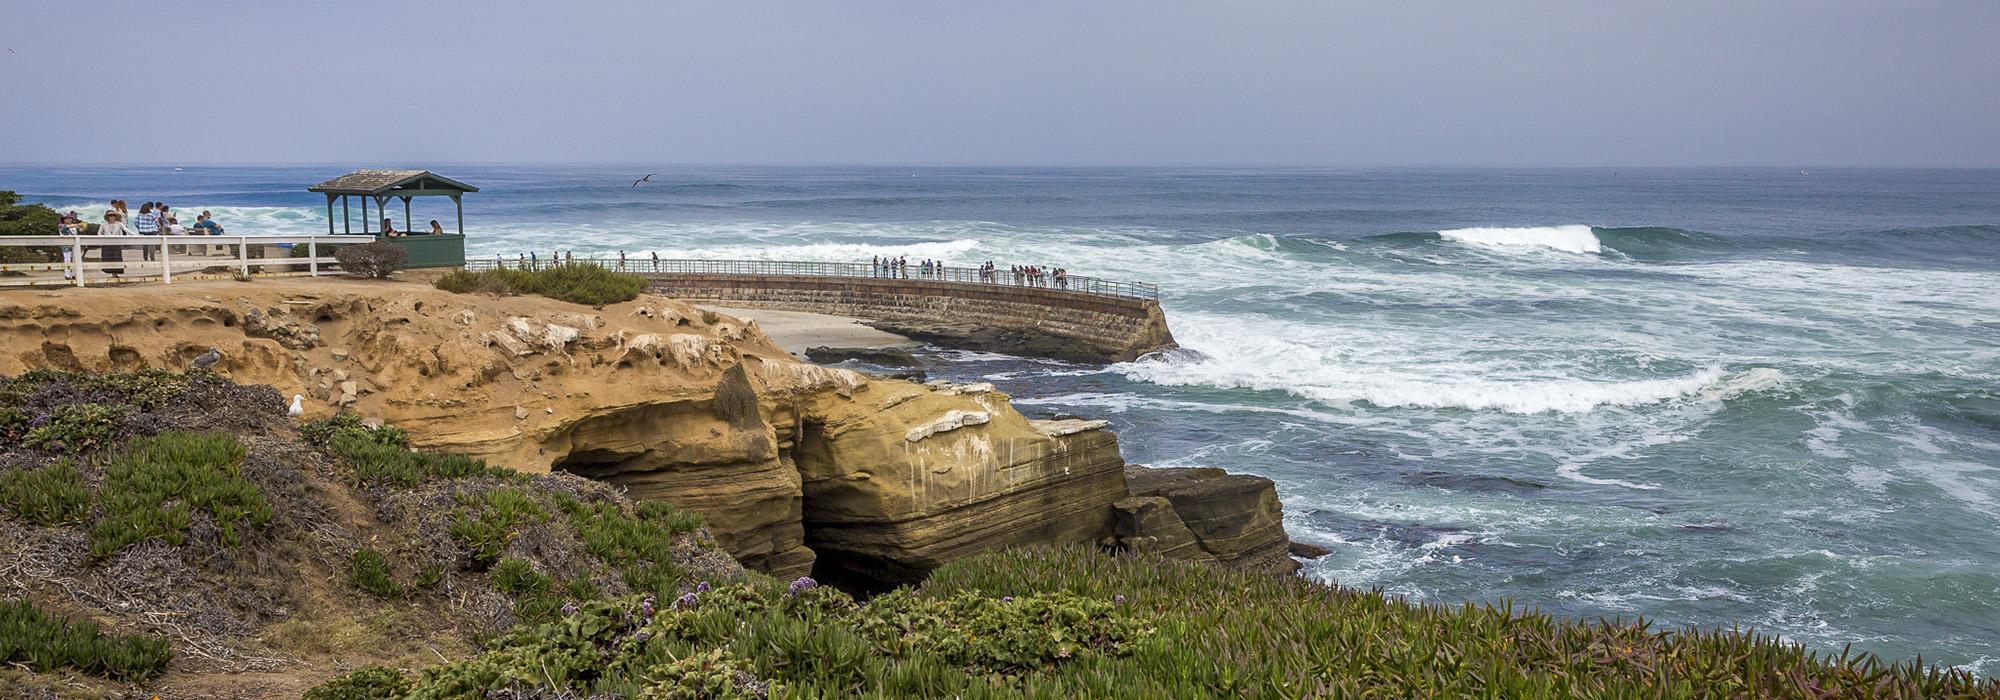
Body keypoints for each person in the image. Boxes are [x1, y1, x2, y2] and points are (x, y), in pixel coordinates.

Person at [97, 209, 131, 277]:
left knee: (116, 258)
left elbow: (126, 230)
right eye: (110, 215)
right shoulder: (103, 224)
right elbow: (99, 233)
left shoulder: (119, 224)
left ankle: (115, 274)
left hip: (116, 243)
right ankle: (112, 274)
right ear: (107, 217)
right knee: (108, 259)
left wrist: (136, 236)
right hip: (106, 244)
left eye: (113, 215)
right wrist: (104, 237)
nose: (112, 217)